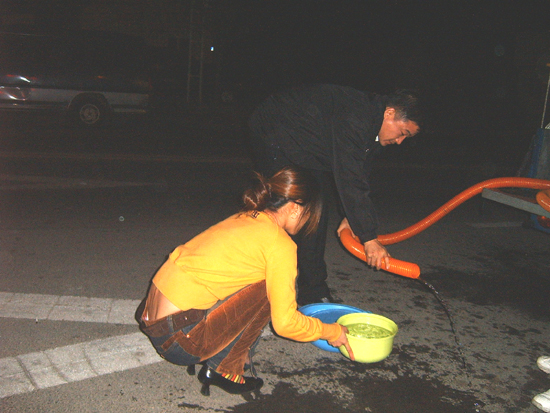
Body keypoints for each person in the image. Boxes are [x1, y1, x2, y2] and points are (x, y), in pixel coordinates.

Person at [137, 166, 354, 397]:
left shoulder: (245, 218)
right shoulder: (279, 244)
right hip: (181, 342)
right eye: (311, 213)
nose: (311, 220)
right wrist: (332, 332)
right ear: (294, 207)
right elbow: (285, 323)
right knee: (270, 291)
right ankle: (224, 368)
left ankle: (223, 355)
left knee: (261, 280)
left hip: (153, 321)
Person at [248, 84, 423, 306]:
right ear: (389, 113)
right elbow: (349, 176)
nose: (400, 141)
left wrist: (351, 218)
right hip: (274, 130)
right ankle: (256, 287)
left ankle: (313, 293)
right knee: (284, 212)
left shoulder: (372, 126)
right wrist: (369, 237)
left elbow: (360, 174)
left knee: (316, 214)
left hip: (308, 147)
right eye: (402, 133)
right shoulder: (357, 117)